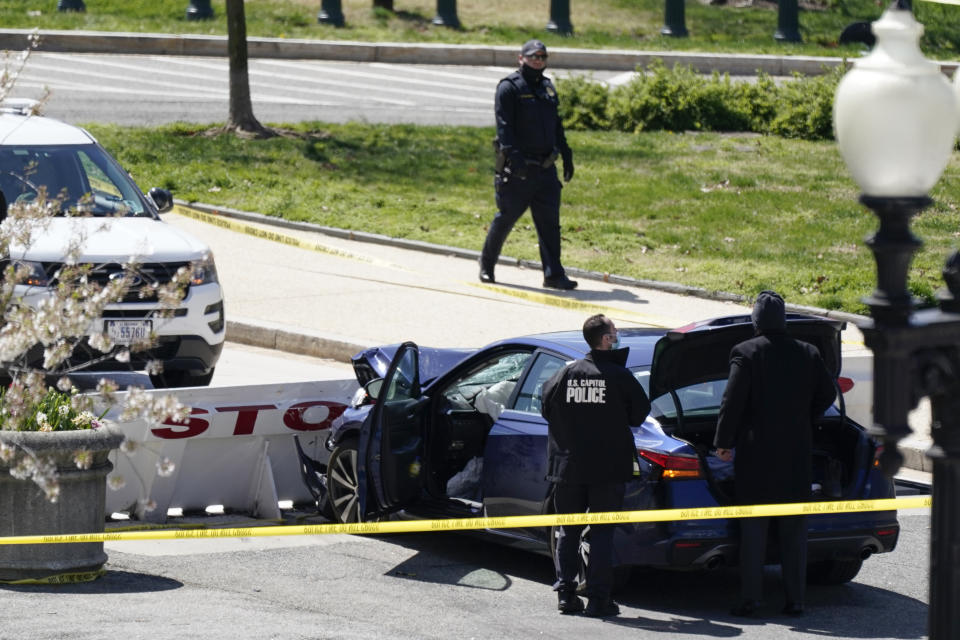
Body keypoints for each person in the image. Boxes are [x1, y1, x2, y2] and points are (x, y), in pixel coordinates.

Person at [713, 291, 837, 618]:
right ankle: (796, 600)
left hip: (756, 457)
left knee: (753, 531)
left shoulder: (746, 352)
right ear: (784, 320)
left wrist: (724, 441)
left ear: (755, 322)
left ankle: (751, 599)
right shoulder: (808, 352)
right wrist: (806, 418)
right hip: (796, 454)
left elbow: (732, 401)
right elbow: (827, 392)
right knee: (794, 533)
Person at [541, 314, 651, 617]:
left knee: (568, 530)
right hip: (607, 469)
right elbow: (639, 415)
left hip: (568, 468)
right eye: (614, 332)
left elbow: (545, 407)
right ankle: (599, 599)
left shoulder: (566, 373)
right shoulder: (619, 376)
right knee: (601, 534)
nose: (617, 335)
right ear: (606, 339)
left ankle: (565, 594)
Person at [480, 39, 578, 291]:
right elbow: (505, 130)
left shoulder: (547, 87)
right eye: (533, 57)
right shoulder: (509, 88)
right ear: (520, 58)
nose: (538, 61)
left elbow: (556, 126)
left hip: (545, 169)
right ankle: (487, 265)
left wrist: (566, 155)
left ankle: (554, 275)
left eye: (542, 57)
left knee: (549, 224)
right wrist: (517, 162)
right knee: (506, 219)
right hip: (519, 170)